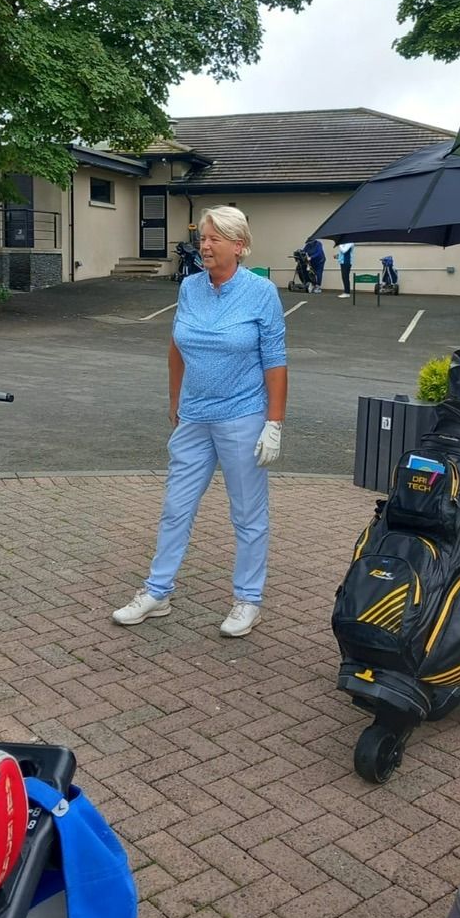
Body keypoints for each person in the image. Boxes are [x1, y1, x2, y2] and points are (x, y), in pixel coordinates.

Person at [112, 206, 287, 638]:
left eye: (214, 239)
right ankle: (157, 592)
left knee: (247, 514)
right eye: (202, 238)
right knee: (176, 508)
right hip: (193, 418)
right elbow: (176, 347)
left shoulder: (261, 292)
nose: (204, 246)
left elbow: (275, 361)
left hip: (242, 417)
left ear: (239, 246)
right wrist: (175, 399)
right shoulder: (190, 287)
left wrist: (274, 423)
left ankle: (248, 600)